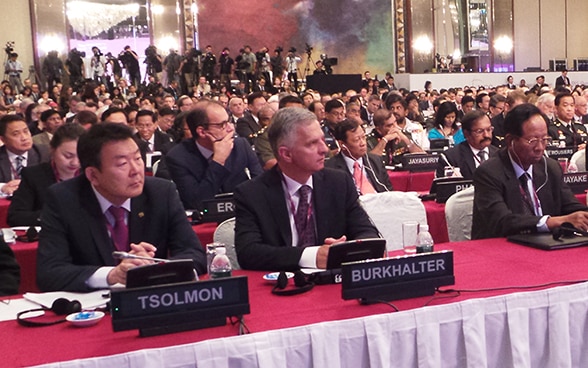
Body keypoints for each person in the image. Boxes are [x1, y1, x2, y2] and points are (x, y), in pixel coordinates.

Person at [37, 123, 206, 292]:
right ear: (93, 175)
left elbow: (194, 253)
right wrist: (112, 275)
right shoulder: (63, 199)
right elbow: (49, 273)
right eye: (122, 164)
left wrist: (155, 267)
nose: (136, 171)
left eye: (138, 159)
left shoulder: (161, 193)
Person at [234, 107, 379, 271]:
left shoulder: (339, 182)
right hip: (283, 284)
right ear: (286, 154)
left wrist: (345, 250)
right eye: (312, 143)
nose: (324, 149)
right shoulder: (251, 193)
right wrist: (312, 256)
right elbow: (248, 253)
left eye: (323, 140)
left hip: (332, 281)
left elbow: (367, 233)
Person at [472, 104, 588, 239]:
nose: (540, 148)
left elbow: (571, 207)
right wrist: (552, 222)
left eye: (544, 140)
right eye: (532, 141)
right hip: (502, 249)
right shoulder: (489, 172)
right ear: (510, 141)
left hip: (547, 245)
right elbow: (502, 222)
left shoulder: (550, 168)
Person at [164, 100, 262, 210]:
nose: (230, 129)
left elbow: (261, 186)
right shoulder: (177, 157)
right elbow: (196, 202)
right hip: (205, 220)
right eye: (222, 125)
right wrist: (218, 162)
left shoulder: (241, 145)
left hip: (242, 212)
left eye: (229, 122)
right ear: (202, 132)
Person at [8, 124, 86, 226]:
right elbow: (15, 217)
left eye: (80, 156)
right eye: (68, 156)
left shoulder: (91, 175)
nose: (75, 162)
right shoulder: (34, 175)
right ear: (52, 150)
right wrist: (54, 215)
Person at [325, 119, 392, 193]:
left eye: (363, 137)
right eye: (357, 140)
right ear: (342, 144)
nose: (363, 143)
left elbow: (389, 190)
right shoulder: (331, 169)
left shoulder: (375, 161)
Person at [435, 110, 498, 179]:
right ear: (466, 134)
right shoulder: (450, 158)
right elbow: (445, 188)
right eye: (480, 131)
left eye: (489, 130)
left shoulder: (499, 155)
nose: (486, 135)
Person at [0, 115, 50, 195]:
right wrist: (3, 187)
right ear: (3, 139)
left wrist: (25, 184)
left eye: (26, 131)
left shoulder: (45, 152)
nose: (24, 138)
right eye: (16, 134)